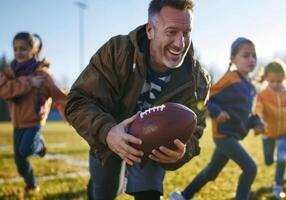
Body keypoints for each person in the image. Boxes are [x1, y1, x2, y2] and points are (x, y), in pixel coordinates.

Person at [64, 0, 210, 199]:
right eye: (171, 32)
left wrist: (182, 153)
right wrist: (107, 132)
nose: (180, 43)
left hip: (152, 148)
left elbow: (195, 130)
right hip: (109, 137)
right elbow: (78, 101)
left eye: (186, 33)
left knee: (149, 192)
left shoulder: (197, 79)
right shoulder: (118, 51)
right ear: (150, 30)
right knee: (104, 192)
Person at [170, 37, 264, 200]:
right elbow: (208, 97)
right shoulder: (230, 78)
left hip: (233, 135)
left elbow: (249, 113)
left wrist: (257, 123)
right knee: (250, 168)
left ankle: (182, 196)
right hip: (223, 135)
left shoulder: (251, 87)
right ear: (233, 59)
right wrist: (217, 112)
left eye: (253, 55)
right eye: (246, 55)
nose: (251, 59)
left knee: (211, 172)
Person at [0, 32, 67, 193]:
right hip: (17, 123)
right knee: (19, 161)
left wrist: (69, 109)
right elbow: (3, 90)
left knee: (27, 149)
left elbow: (59, 94)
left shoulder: (42, 74)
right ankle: (32, 184)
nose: (19, 52)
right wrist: (27, 82)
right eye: (15, 49)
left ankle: (40, 145)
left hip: (34, 121)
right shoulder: (10, 73)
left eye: (23, 48)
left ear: (34, 51)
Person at [255, 60, 286, 199]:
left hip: (285, 133)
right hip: (268, 132)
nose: (275, 84)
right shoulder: (262, 95)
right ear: (266, 78)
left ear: (284, 78)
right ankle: (284, 154)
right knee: (269, 161)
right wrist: (259, 120)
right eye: (272, 81)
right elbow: (258, 109)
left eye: (279, 81)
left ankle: (278, 186)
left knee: (281, 158)